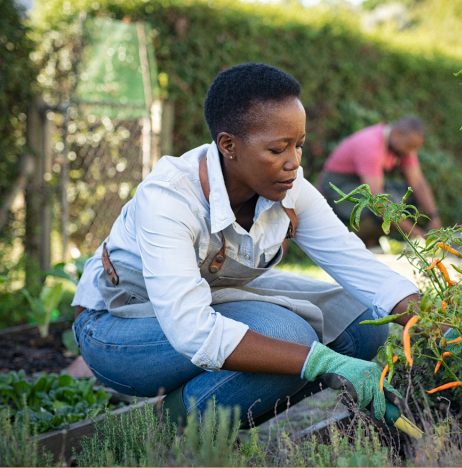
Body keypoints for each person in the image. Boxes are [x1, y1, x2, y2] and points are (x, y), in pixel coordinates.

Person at [71, 63, 422, 429]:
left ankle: (205, 401)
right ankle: (165, 426)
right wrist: (321, 362)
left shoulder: (289, 187)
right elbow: (191, 329)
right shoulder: (170, 199)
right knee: (287, 338)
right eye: (277, 149)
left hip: (215, 299)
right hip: (118, 328)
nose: (294, 162)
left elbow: (358, 267)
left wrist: (443, 326)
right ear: (229, 145)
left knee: (363, 322)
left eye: (299, 145)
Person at [318, 117, 441, 247]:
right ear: (397, 134)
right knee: (383, 205)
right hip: (336, 187)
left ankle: (371, 240)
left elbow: (418, 183)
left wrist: (434, 216)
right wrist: (415, 233)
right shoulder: (371, 145)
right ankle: (347, 242)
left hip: (361, 184)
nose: (411, 151)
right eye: (410, 146)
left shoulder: (402, 146)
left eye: (415, 147)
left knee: (408, 197)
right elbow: (378, 200)